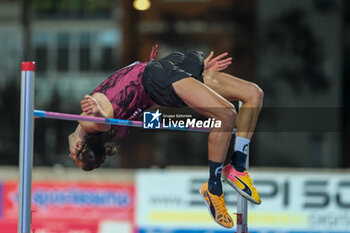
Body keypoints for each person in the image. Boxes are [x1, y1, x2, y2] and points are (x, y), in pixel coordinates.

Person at [68, 45, 263, 228]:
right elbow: (102, 122)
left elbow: (143, 103)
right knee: (227, 113)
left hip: (162, 72)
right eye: (75, 158)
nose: (69, 156)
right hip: (159, 76)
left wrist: (194, 82)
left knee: (253, 94)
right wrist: (98, 113)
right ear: (79, 147)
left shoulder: (116, 129)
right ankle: (214, 187)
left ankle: (237, 165)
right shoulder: (90, 123)